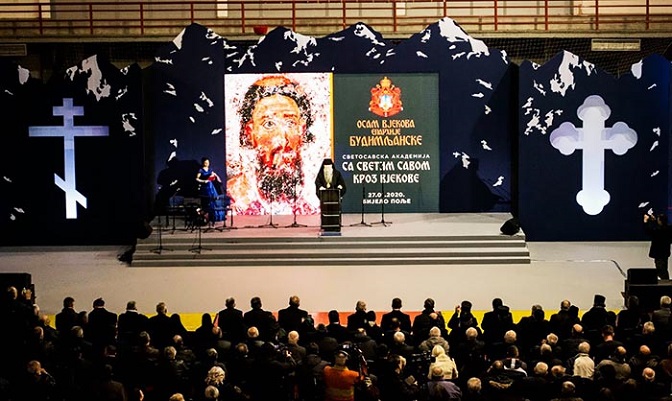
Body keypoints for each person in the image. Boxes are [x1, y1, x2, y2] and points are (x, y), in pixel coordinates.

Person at [228, 75, 320, 215]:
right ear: (249, 133)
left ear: (302, 130)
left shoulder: (314, 197)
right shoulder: (235, 197)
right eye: (269, 124)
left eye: (290, 123)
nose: (282, 141)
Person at [196, 157, 224, 225]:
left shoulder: (210, 169)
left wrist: (215, 177)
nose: (207, 164)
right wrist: (203, 181)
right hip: (205, 187)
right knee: (207, 202)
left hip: (211, 187)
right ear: (203, 163)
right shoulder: (201, 170)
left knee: (213, 201)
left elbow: (214, 176)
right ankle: (206, 217)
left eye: (208, 163)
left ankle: (214, 216)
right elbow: (197, 179)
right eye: (206, 163)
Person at [644, 213, 672, 280]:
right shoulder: (668, 229)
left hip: (658, 253)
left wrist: (646, 222)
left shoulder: (658, 231)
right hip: (665, 253)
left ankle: (665, 284)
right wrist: (654, 221)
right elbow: (660, 227)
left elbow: (649, 231)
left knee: (661, 271)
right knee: (663, 269)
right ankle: (666, 282)